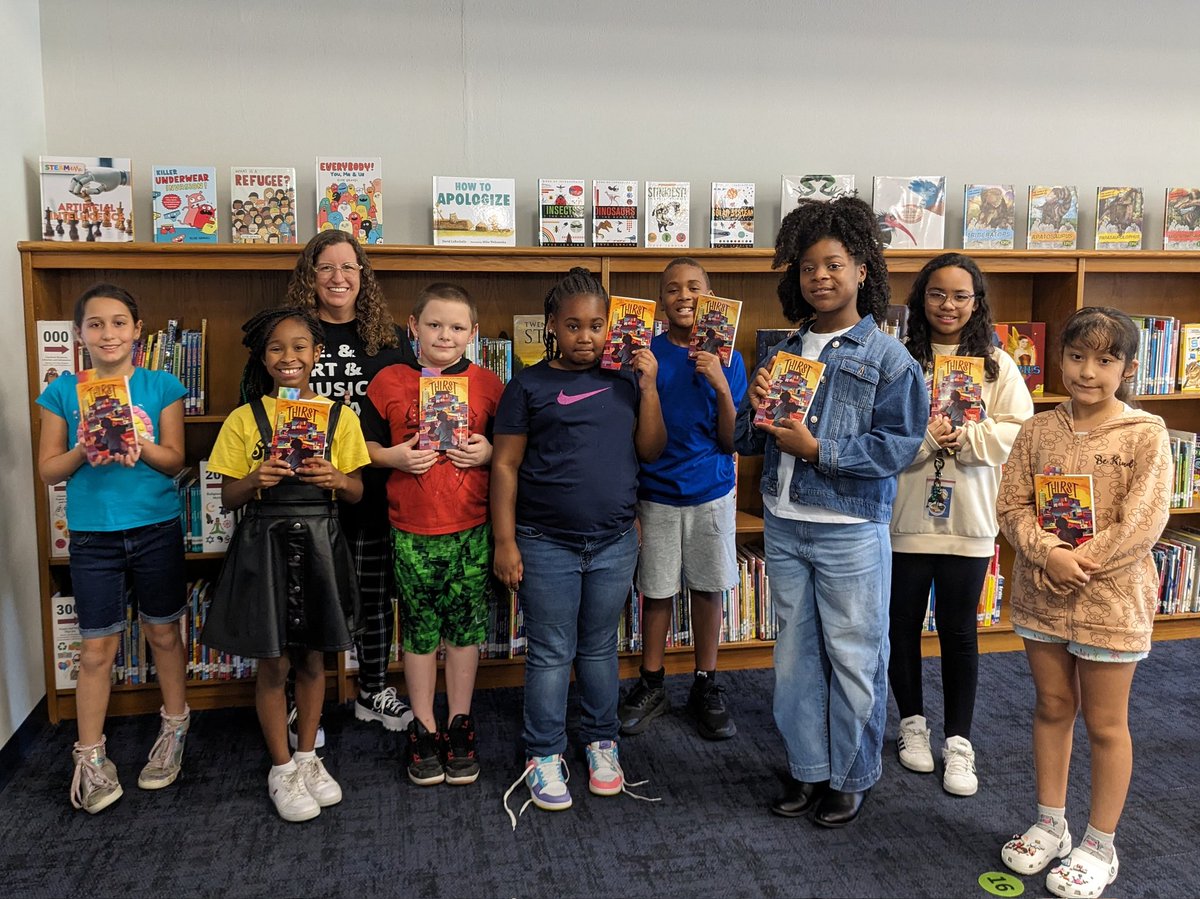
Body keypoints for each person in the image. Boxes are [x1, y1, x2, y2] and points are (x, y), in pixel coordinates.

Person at [734, 197, 926, 828]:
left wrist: (821, 451)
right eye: (809, 267)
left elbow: (898, 446)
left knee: (855, 655)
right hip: (785, 523)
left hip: (849, 530)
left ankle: (850, 775)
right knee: (794, 658)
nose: (820, 276)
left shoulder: (889, 358)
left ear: (862, 270)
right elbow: (746, 439)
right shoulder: (784, 350)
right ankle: (808, 765)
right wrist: (752, 400)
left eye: (834, 264)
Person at [997, 307, 1171, 899]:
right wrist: (1049, 554)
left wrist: (1081, 561)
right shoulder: (1037, 428)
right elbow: (1011, 505)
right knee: (1051, 705)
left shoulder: (1146, 433)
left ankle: (1100, 844)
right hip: (1043, 594)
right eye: (1076, 357)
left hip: (1111, 601)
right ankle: (1051, 824)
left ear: (1128, 367)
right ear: (1060, 358)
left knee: (1105, 723)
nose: (1087, 372)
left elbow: (1144, 521)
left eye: (1104, 360)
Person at [493, 267, 666, 826]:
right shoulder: (527, 386)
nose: (585, 337)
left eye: (596, 325)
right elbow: (505, 465)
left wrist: (649, 386)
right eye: (573, 326)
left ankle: (601, 741)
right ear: (552, 325)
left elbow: (651, 450)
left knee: (598, 648)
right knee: (550, 651)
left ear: (610, 326)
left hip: (614, 542)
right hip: (545, 542)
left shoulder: (626, 381)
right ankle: (543, 752)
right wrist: (504, 540)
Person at [201, 308, 371, 822]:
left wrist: (336, 479)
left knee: (314, 657)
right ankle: (281, 768)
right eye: (276, 348)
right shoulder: (244, 419)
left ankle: (307, 755)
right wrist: (256, 478)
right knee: (273, 661)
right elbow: (227, 497)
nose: (289, 357)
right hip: (264, 543)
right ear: (263, 357)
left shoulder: (340, 418)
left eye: (300, 347)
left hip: (320, 541)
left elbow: (358, 492)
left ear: (317, 354)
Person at [37, 283, 191, 813]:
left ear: (137, 330)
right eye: (96, 324)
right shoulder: (63, 391)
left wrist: (134, 443)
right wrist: (86, 448)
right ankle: (90, 756)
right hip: (92, 535)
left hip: (156, 527)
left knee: (163, 633)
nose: (108, 333)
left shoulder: (160, 384)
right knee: (96, 648)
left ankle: (175, 727)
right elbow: (48, 470)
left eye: (119, 322)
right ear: (79, 333)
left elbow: (175, 461)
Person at [888, 253, 1034, 798]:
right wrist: (925, 440)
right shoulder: (899, 358)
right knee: (900, 626)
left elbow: (1018, 432)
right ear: (920, 298)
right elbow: (879, 434)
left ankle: (959, 742)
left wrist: (965, 437)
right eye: (936, 294)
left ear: (976, 302)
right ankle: (911, 724)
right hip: (904, 519)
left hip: (969, 521)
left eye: (960, 296)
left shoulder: (997, 365)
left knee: (959, 632)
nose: (947, 305)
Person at [363, 283, 504, 787]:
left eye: (457, 327)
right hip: (411, 530)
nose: (445, 335)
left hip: (471, 529)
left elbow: (513, 451)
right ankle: (423, 726)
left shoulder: (489, 385)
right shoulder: (388, 381)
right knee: (420, 631)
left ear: (473, 333)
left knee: (465, 631)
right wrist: (393, 457)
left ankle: (460, 722)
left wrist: (488, 452)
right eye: (434, 325)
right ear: (413, 326)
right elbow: (362, 448)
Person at [286, 230, 418, 737]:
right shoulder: (292, 333)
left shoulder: (389, 338)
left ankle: (372, 689)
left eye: (349, 267)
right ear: (310, 276)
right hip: (304, 490)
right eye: (325, 267)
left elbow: (411, 408)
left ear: (363, 275)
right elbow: (260, 404)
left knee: (374, 597)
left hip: (372, 489)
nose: (338, 277)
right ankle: (302, 701)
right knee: (305, 602)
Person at [618, 257, 748, 740]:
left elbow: (732, 440)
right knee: (656, 590)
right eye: (672, 289)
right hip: (655, 493)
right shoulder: (646, 354)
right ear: (660, 301)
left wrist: (721, 385)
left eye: (694, 287)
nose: (684, 296)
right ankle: (652, 682)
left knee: (708, 588)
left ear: (710, 297)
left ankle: (705, 682)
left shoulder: (729, 358)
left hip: (711, 491)